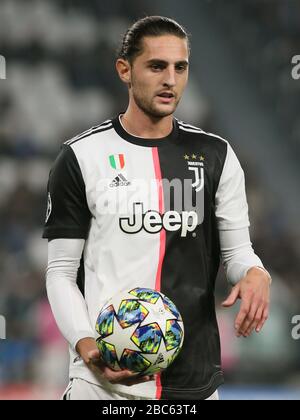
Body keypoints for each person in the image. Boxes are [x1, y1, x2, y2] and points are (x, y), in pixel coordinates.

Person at [43, 16, 271, 400]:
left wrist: (255, 272)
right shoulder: (81, 156)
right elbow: (61, 272)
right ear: (125, 70)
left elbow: (237, 254)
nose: (170, 79)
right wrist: (86, 345)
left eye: (180, 68)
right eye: (156, 66)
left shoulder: (217, 156)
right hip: (101, 383)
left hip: (193, 385)